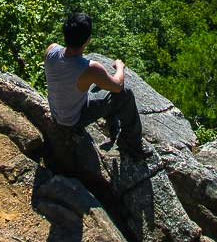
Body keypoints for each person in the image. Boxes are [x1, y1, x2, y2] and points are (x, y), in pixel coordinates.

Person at [44, 12, 147, 157]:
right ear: (87, 40)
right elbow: (118, 85)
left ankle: (112, 125)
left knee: (99, 85)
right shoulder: (90, 68)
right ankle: (132, 143)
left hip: (57, 112)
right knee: (125, 93)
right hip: (73, 119)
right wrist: (120, 67)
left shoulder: (51, 50)